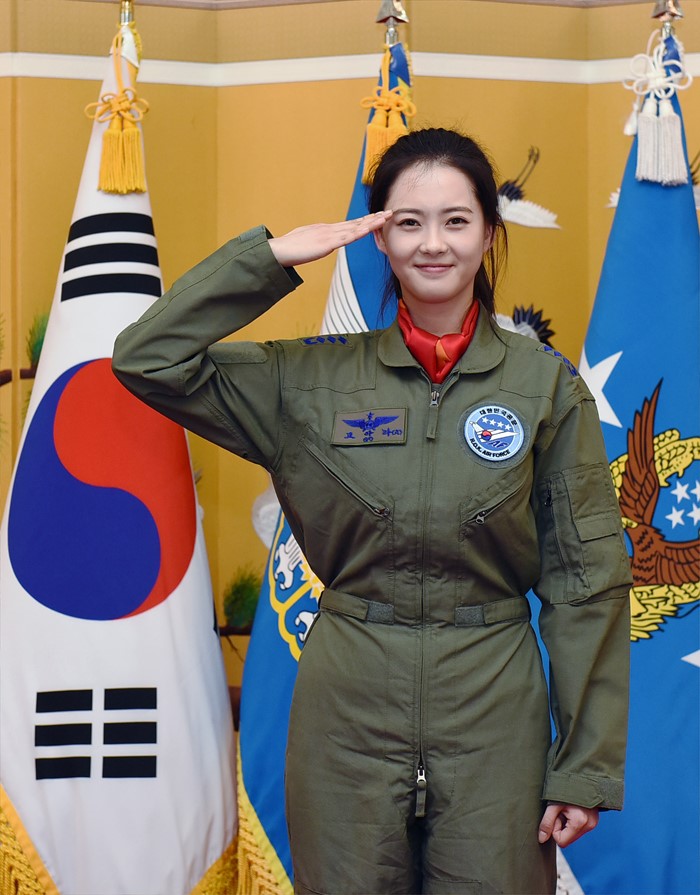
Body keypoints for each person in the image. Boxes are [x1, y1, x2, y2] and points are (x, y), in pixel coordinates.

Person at [113, 127, 631, 895]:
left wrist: (584, 765)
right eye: (408, 221)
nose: (433, 243)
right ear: (379, 236)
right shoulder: (309, 382)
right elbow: (146, 358)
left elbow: (585, 580)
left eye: (456, 220)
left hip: (494, 706)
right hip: (347, 707)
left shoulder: (543, 387)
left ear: (490, 233)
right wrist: (272, 258)